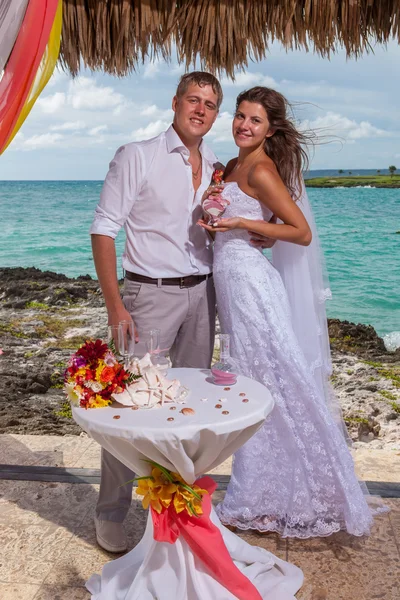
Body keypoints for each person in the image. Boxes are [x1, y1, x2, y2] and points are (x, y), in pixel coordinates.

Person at [199, 86, 374, 537]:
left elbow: (300, 231)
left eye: (255, 120)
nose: (243, 125)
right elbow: (261, 224)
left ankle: (271, 496)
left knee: (271, 384)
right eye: (240, 116)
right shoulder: (233, 166)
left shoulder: (259, 168)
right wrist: (220, 222)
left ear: (270, 129)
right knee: (256, 384)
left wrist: (242, 223)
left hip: (254, 289)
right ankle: (265, 493)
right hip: (233, 286)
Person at [89, 72, 224, 553]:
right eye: (194, 99)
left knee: (187, 406)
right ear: (175, 102)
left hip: (202, 295)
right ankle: (111, 512)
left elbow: (212, 231)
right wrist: (116, 304)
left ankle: (172, 510)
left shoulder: (215, 164)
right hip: (150, 296)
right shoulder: (137, 155)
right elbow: (103, 229)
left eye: (210, 104)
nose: (201, 109)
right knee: (129, 405)